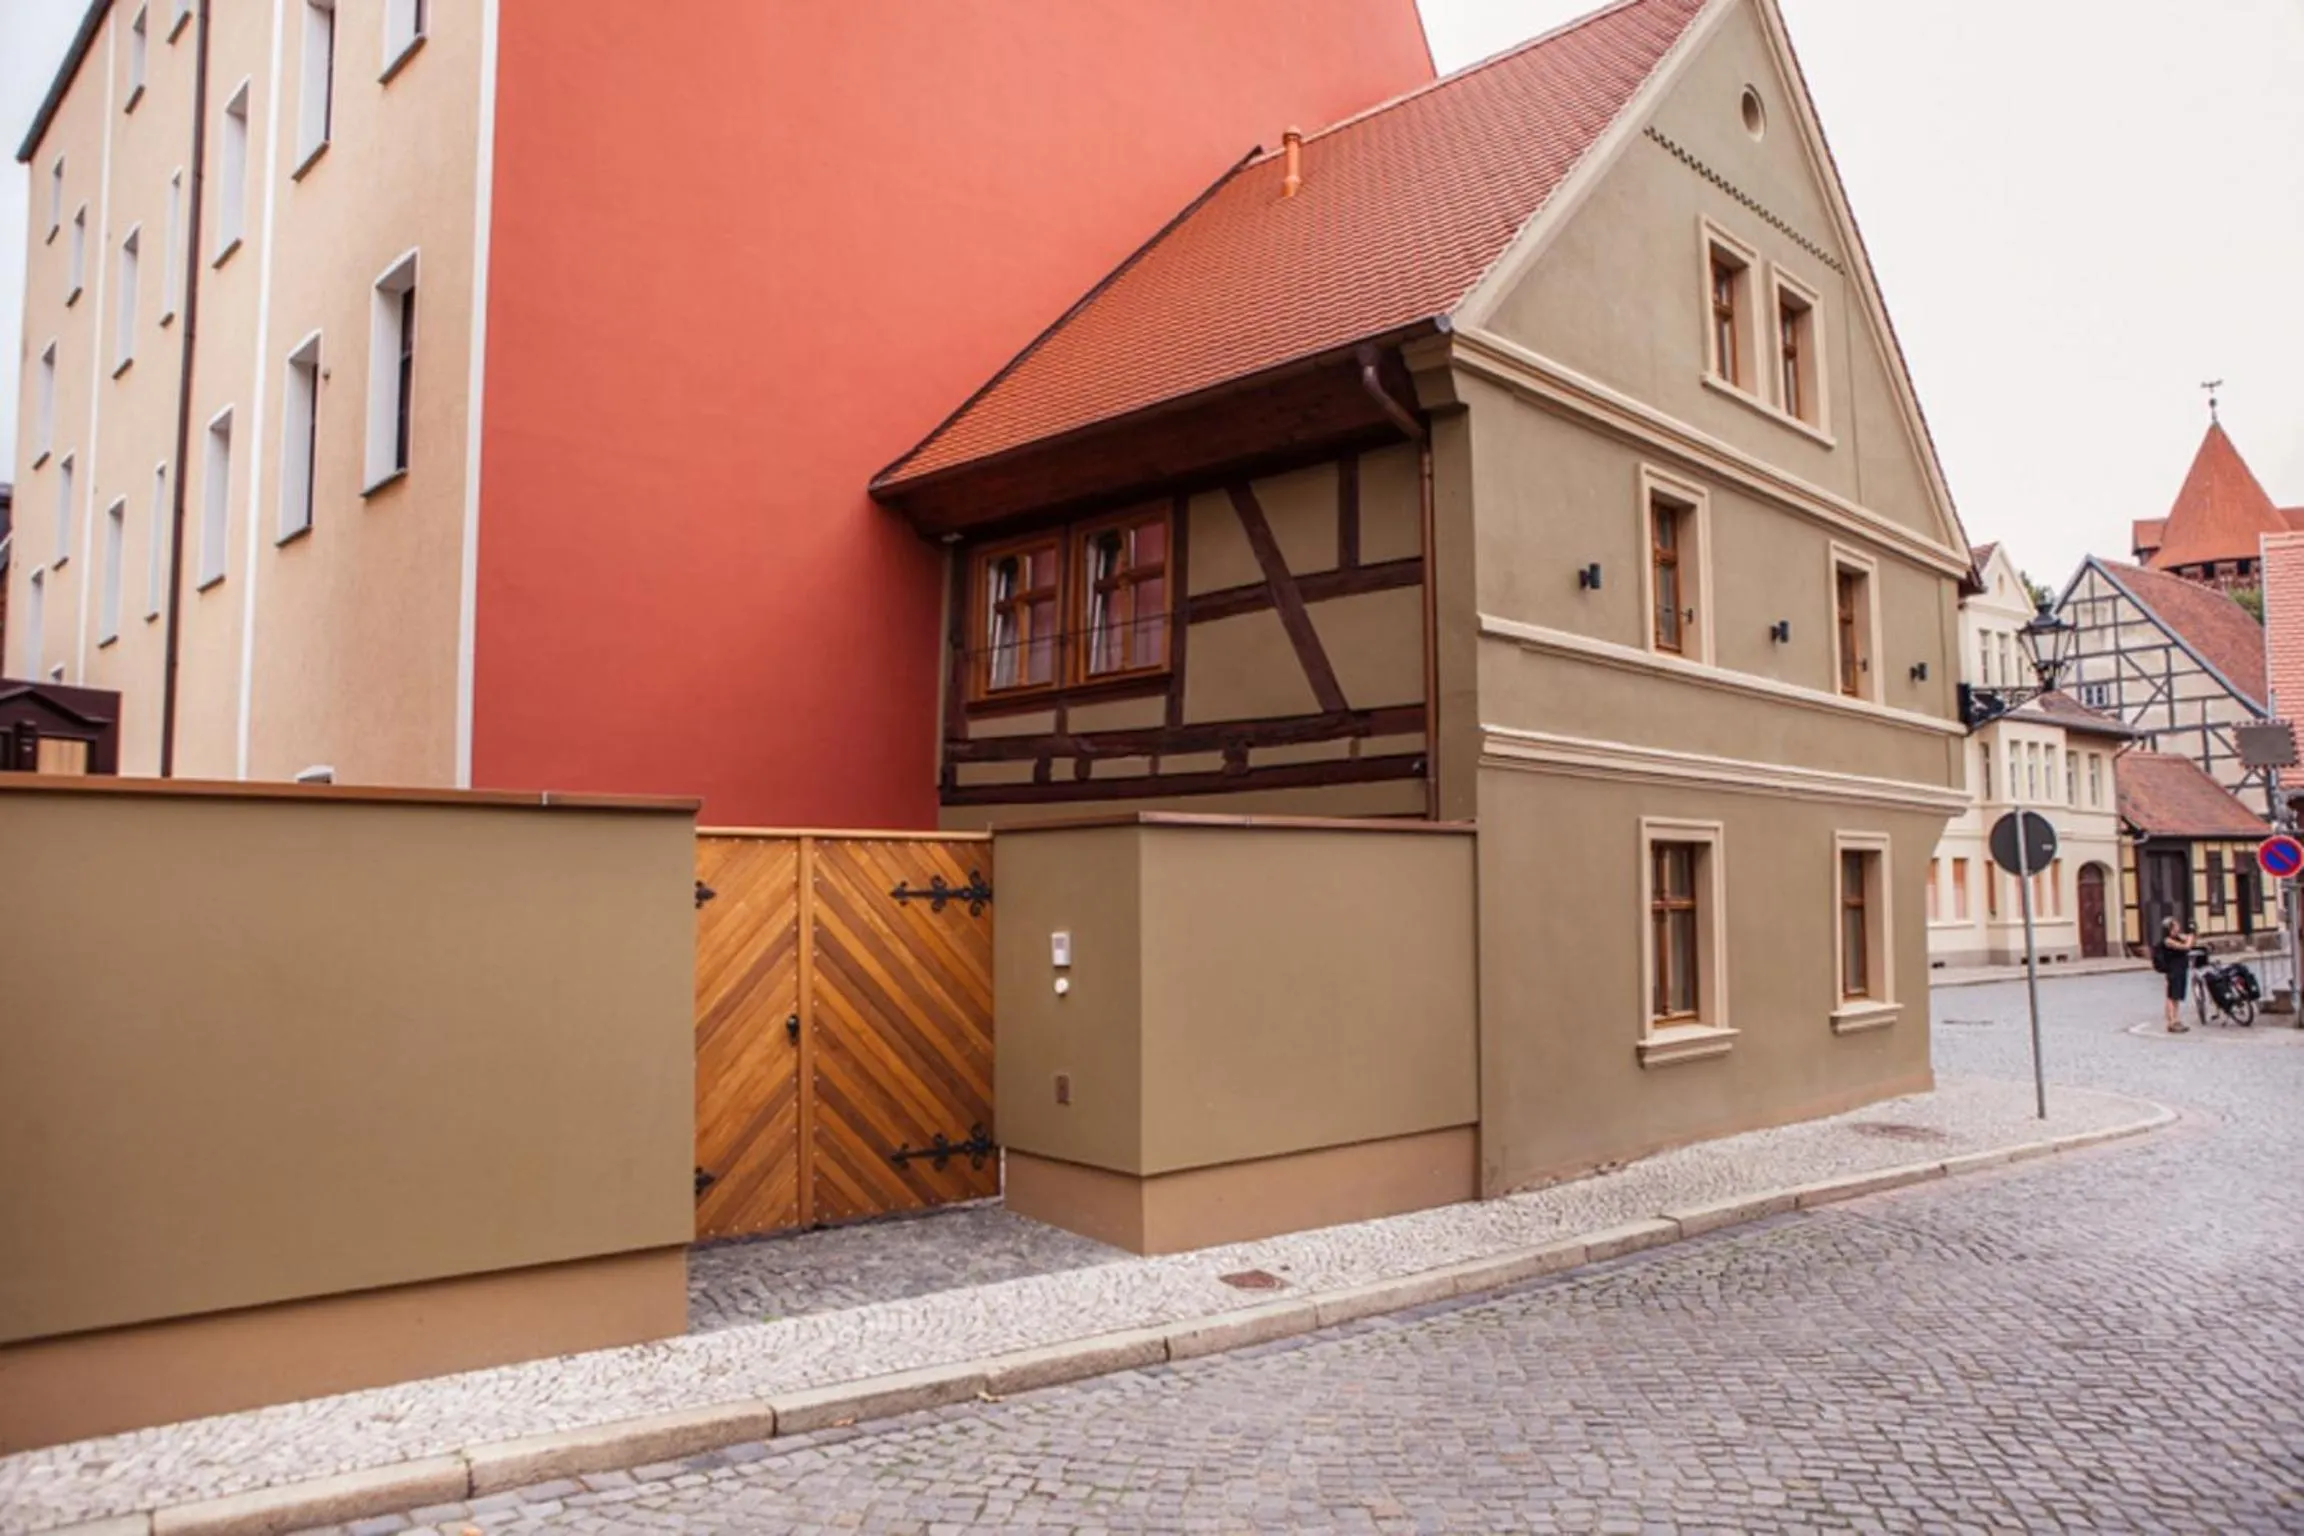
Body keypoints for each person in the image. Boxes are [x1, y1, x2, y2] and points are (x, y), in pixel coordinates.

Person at [2157, 916, 2198, 1032]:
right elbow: (2186, 946)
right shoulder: (2168, 940)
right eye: (2175, 926)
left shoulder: (2178, 937)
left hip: (2181, 969)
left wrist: (2192, 934)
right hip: (2173, 970)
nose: (2178, 927)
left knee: (2177, 996)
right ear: (2170, 928)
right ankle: (2171, 1022)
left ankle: (2176, 1019)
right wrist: (2190, 936)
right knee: (2171, 996)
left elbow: (2191, 941)